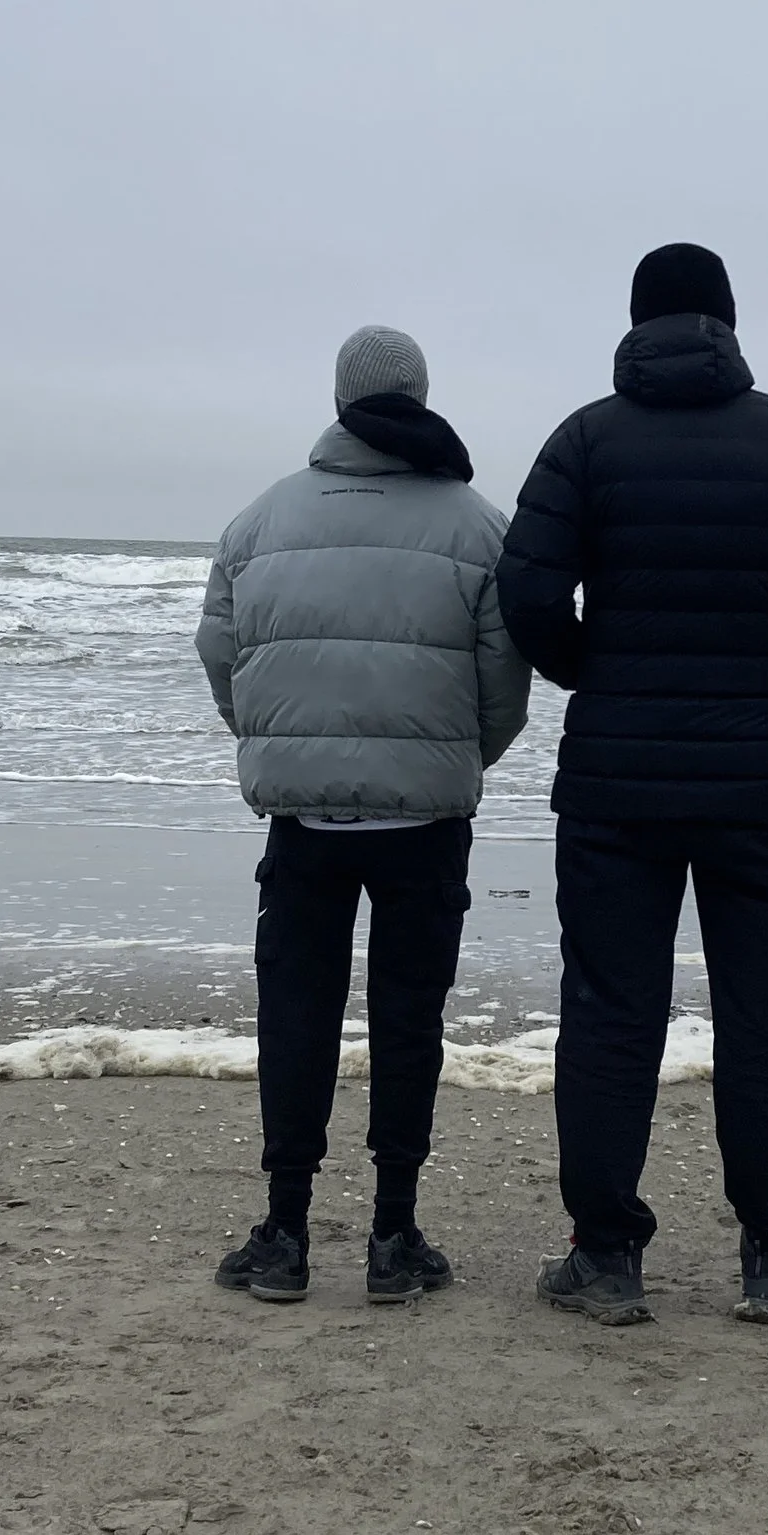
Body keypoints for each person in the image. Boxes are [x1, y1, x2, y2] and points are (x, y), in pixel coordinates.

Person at [497, 244, 768, 1325]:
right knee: (765, 1018)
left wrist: (596, 669)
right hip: (754, 779)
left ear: (635, 323)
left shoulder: (585, 438)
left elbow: (526, 592)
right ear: (727, 322)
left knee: (611, 1013)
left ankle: (608, 1255)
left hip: (614, 782)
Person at [195, 325, 529, 1306]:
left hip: (302, 824)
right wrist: (454, 760)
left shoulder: (261, 521)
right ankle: (392, 1235)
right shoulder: (477, 525)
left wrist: (272, 744)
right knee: (408, 1018)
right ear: (421, 397)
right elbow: (504, 683)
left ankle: (287, 1232)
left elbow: (222, 656)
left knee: (295, 1014)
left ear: (340, 400)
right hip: (424, 826)